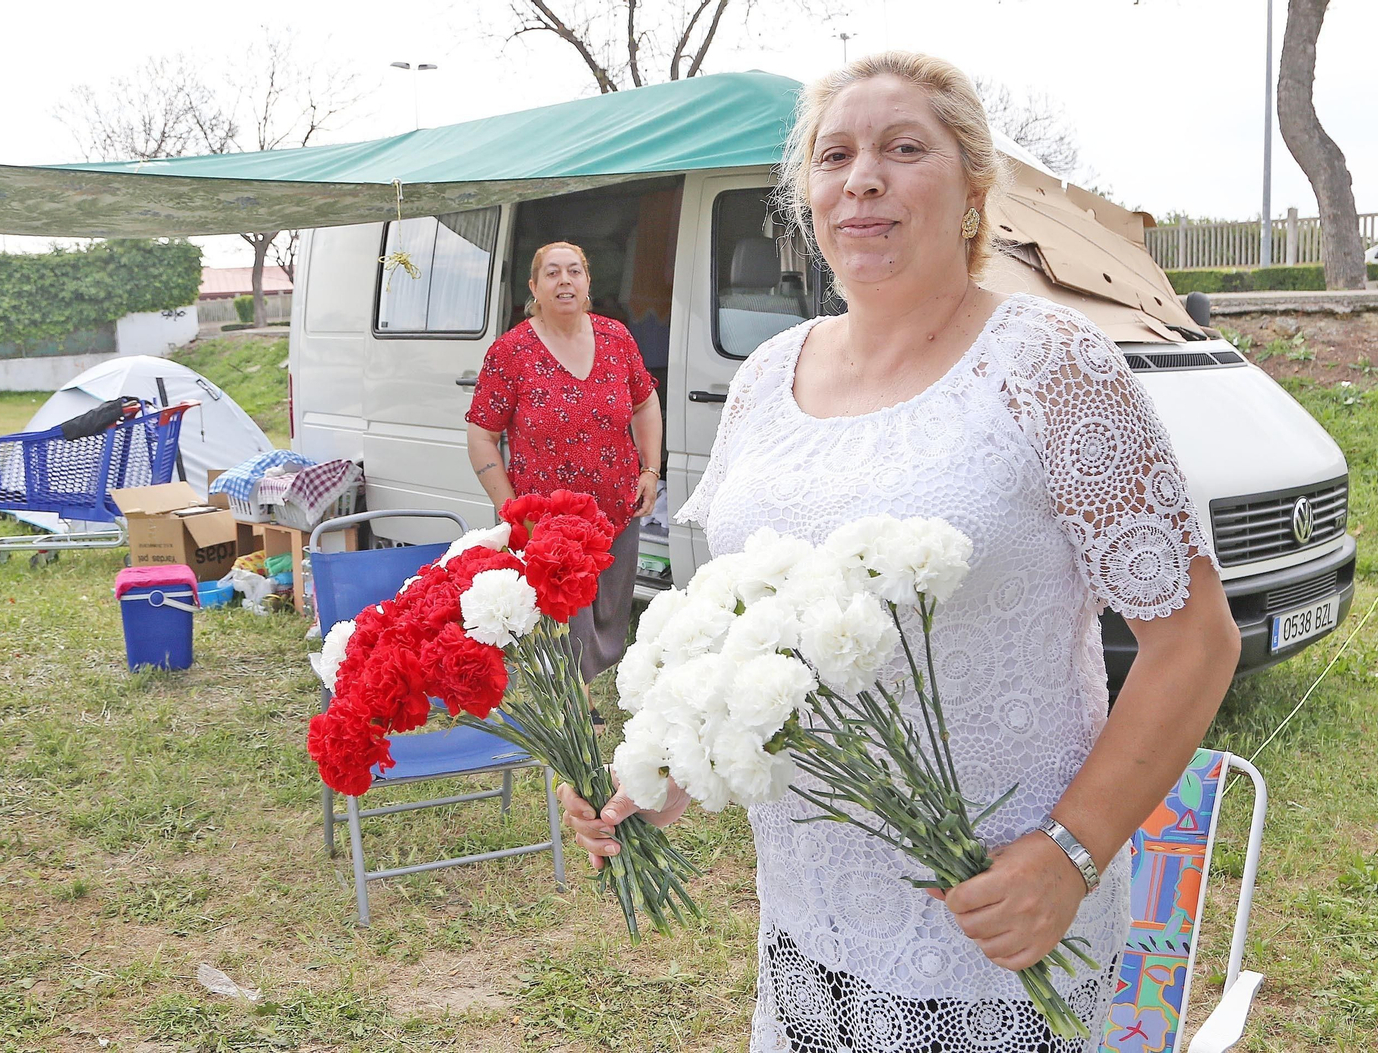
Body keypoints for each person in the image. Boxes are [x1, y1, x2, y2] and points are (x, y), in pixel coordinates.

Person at [558, 52, 1240, 1052]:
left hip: (1003, 923)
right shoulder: (764, 379)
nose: (862, 178)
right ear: (807, 198)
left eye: (902, 149)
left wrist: (1067, 855)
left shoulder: (1051, 366)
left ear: (972, 191)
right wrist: (669, 770)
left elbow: (1194, 643)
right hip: (810, 912)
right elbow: (750, 633)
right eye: (835, 156)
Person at [466, 241, 662, 720]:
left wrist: (651, 469)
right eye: (552, 273)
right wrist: (512, 511)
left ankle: (583, 685)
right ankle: (578, 705)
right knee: (566, 619)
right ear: (534, 287)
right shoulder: (510, 352)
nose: (565, 281)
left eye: (574, 271)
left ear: (588, 282)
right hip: (550, 526)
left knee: (609, 615)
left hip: (616, 510)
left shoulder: (616, 338)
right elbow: (482, 436)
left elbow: (644, 403)